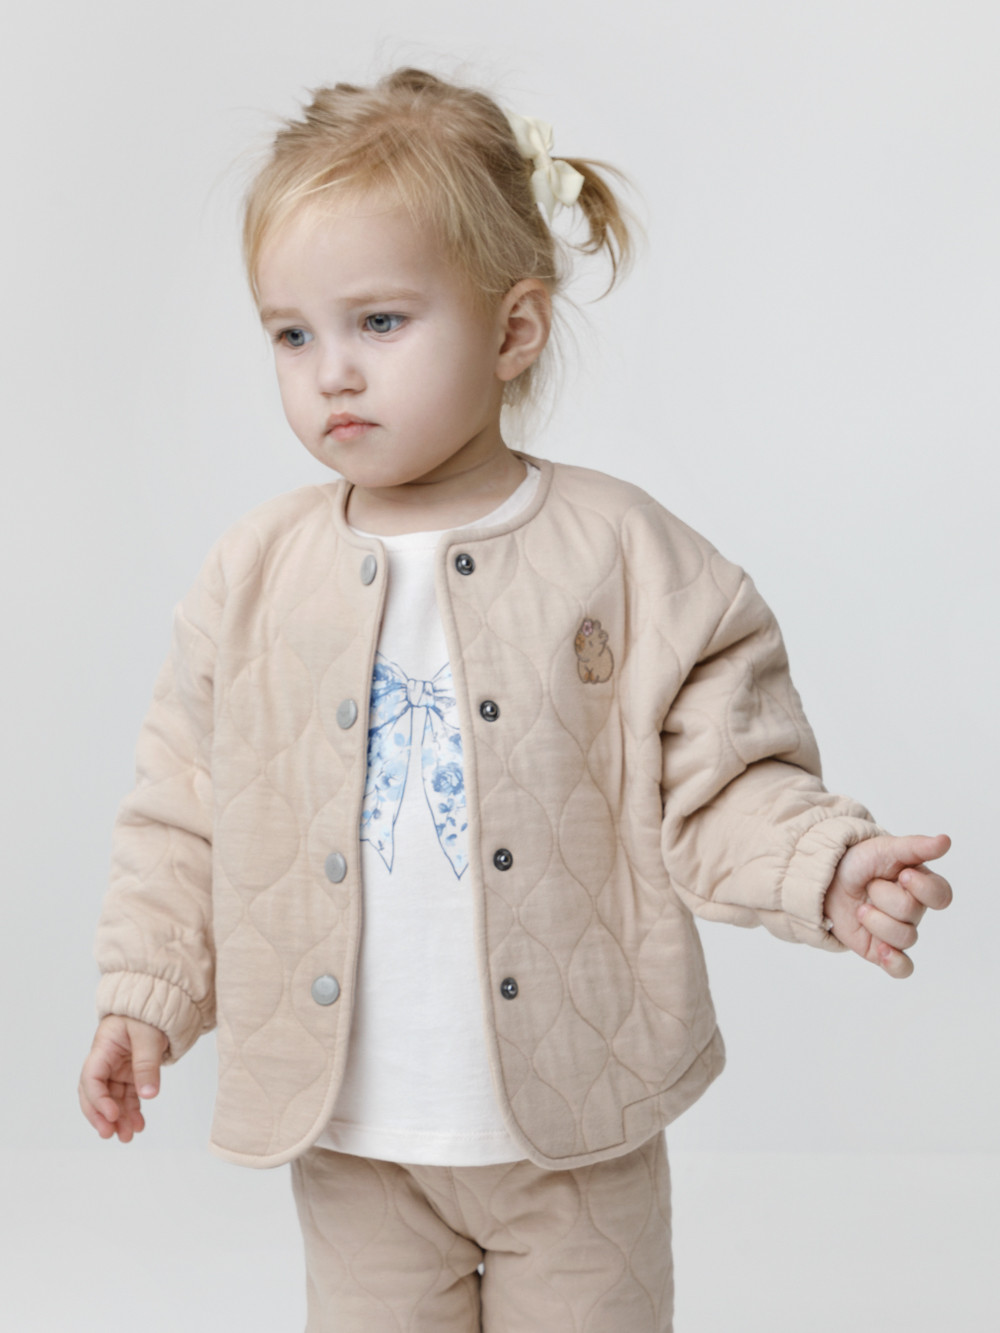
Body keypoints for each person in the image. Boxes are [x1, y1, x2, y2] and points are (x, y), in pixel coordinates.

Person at [78, 67, 953, 1331]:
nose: (331, 373)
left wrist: (820, 862)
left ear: (512, 330)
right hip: (355, 1136)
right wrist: (144, 994)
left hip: (578, 1124)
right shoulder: (253, 575)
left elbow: (723, 774)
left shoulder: (624, 555)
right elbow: (184, 808)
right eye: (291, 334)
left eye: (379, 322)